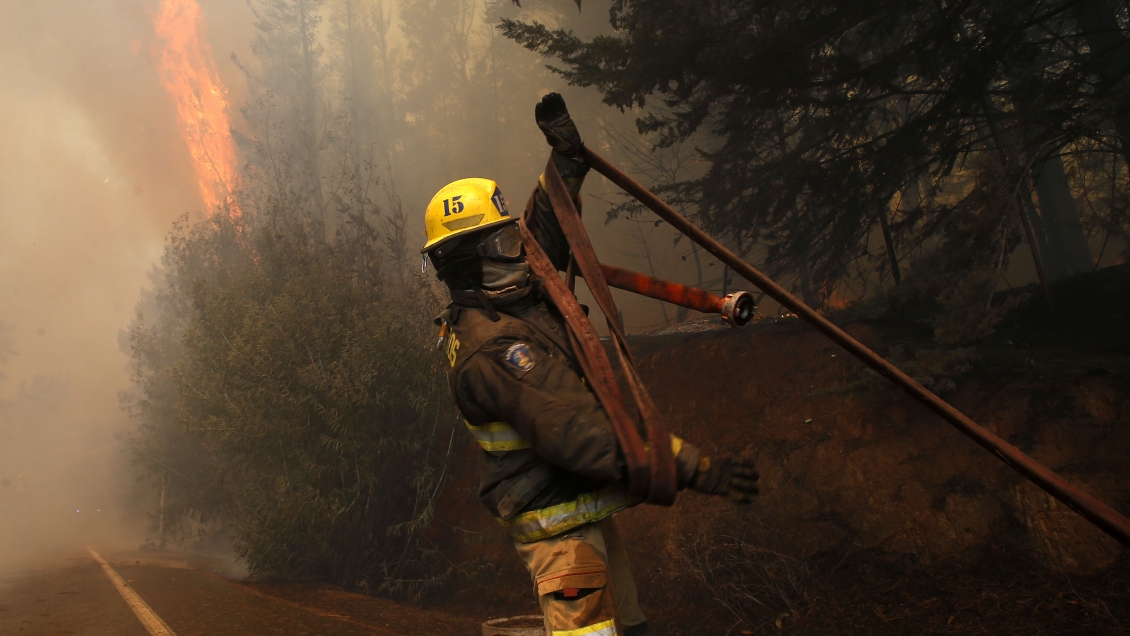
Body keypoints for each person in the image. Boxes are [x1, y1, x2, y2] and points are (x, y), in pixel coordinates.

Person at [422, 93, 760, 636]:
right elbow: (581, 435)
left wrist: (566, 161)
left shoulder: (503, 302)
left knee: (633, 630)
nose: (520, 250)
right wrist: (691, 466)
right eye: (505, 241)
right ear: (470, 262)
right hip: (561, 536)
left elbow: (547, 234)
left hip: (579, 510)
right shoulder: (500, 349)